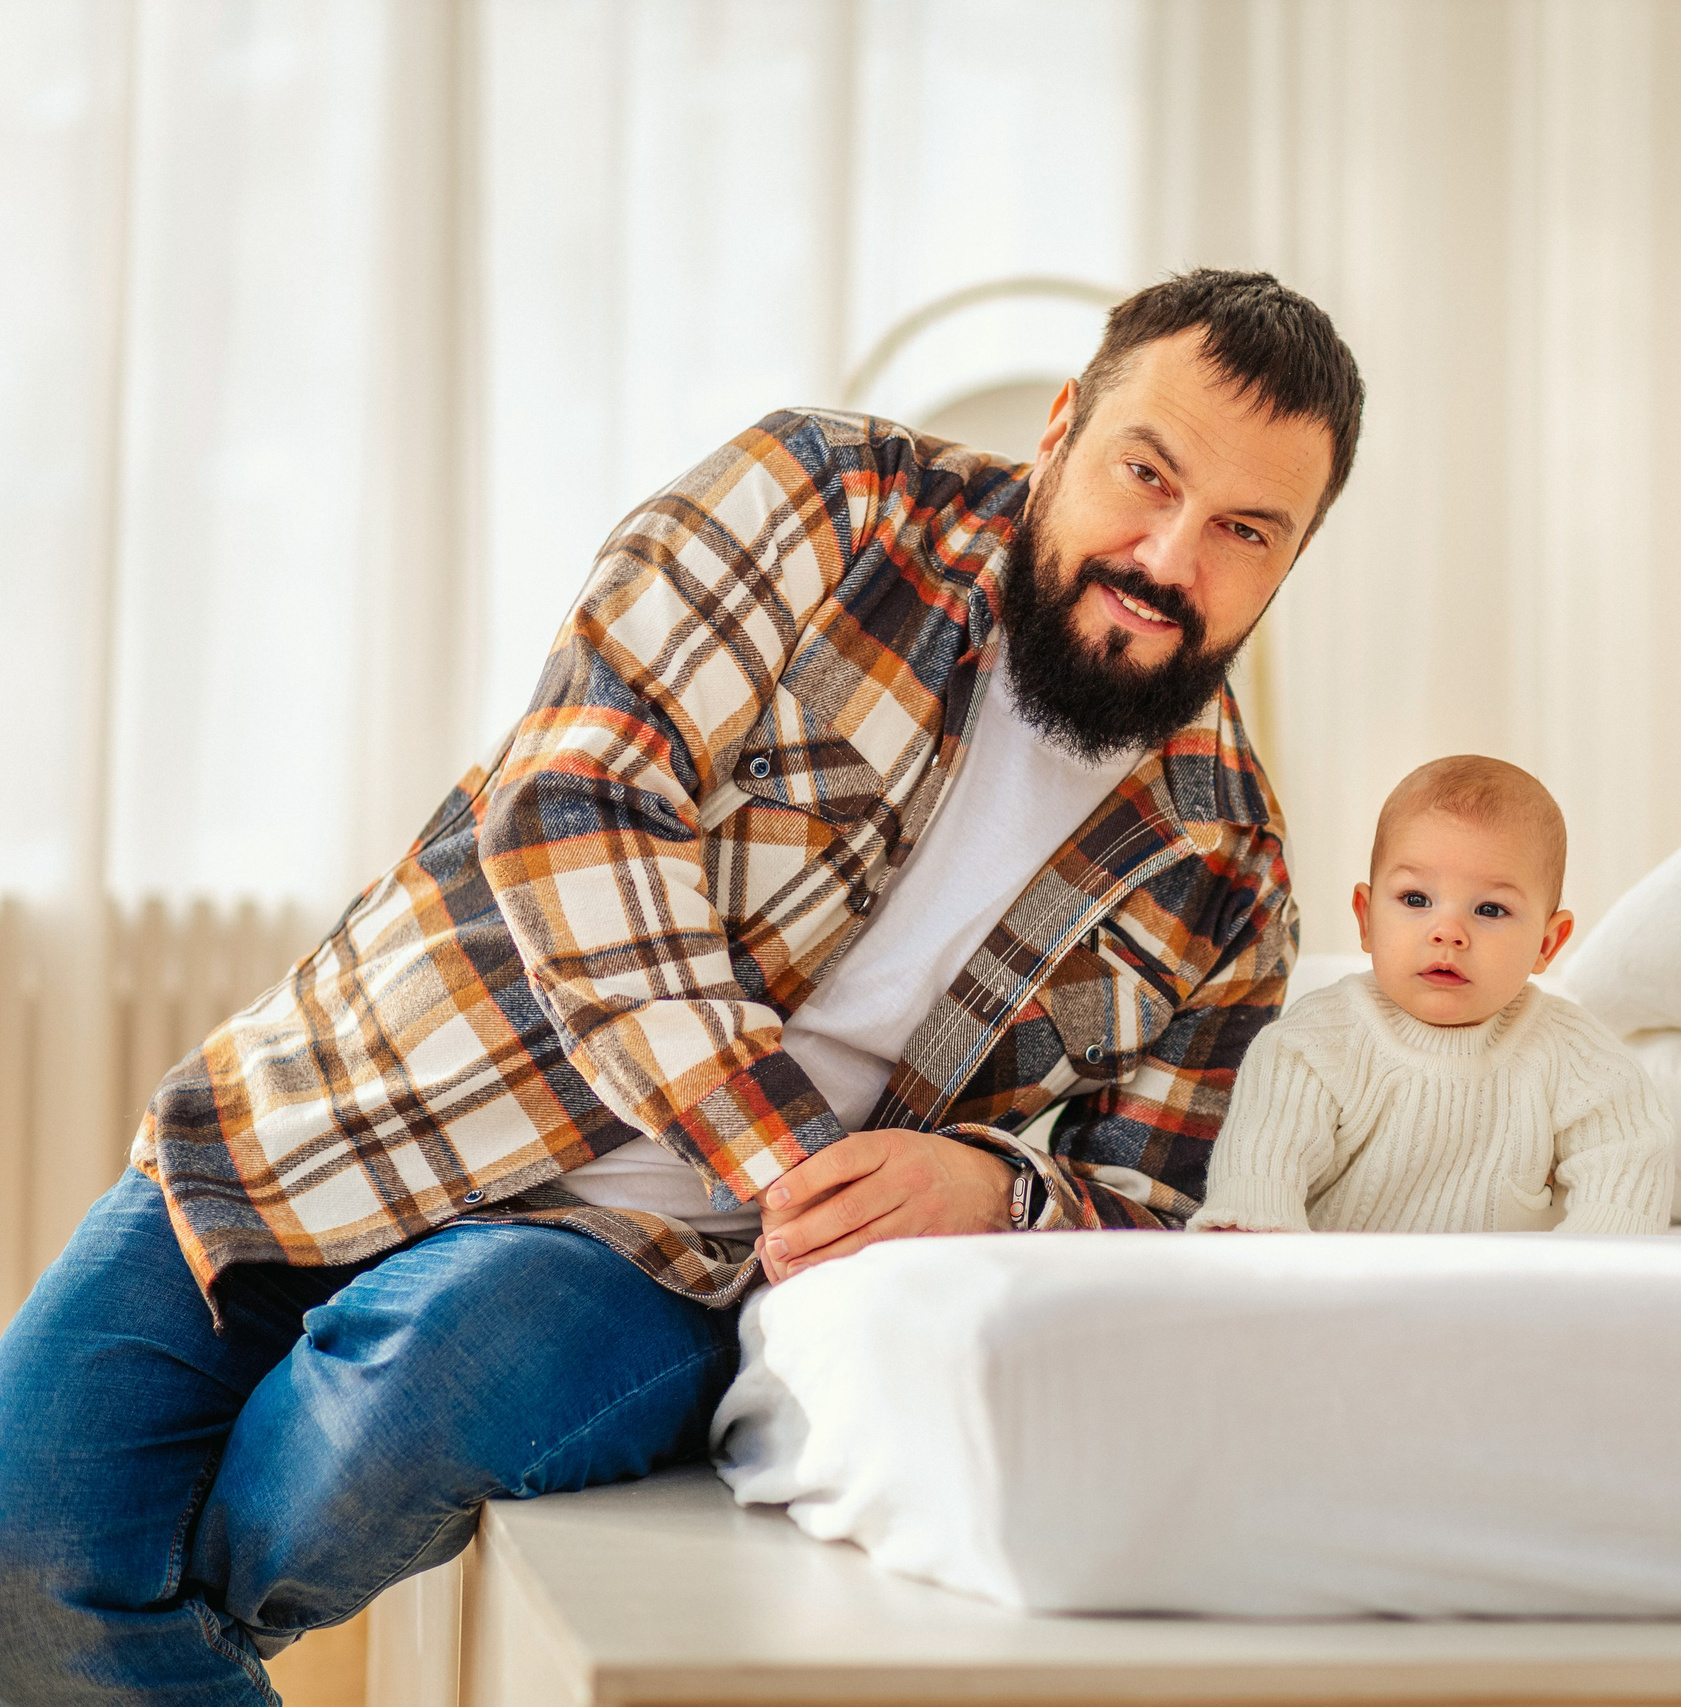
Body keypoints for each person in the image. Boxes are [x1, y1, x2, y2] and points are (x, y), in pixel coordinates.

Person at [0, 269, 1361, 1703]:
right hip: (356, 1108)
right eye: (1147, 474)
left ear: (1289, 562)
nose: (1168, 552)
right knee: (24, 1555)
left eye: (1244, 530)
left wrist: (998, 1193)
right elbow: (571, 799)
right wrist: (796, 1154)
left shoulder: (1233, 876)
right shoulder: (827, 501)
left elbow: (1157, 1208)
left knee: (403, 1402)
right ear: (1062, 425)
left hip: (656, 1267)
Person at [1189, 757, 1672, 1235]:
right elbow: (1265, 1155)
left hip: (1509, 1296)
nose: (1448, 932)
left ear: (1546, 944)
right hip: (1346, 1289)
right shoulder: (1317, 1040)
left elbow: (1627, 1154)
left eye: (1490, 909)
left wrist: (1596, 1266)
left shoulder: (1571, 1052)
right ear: (1366, 918)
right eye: (1416, 900)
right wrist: (1254, 1236)